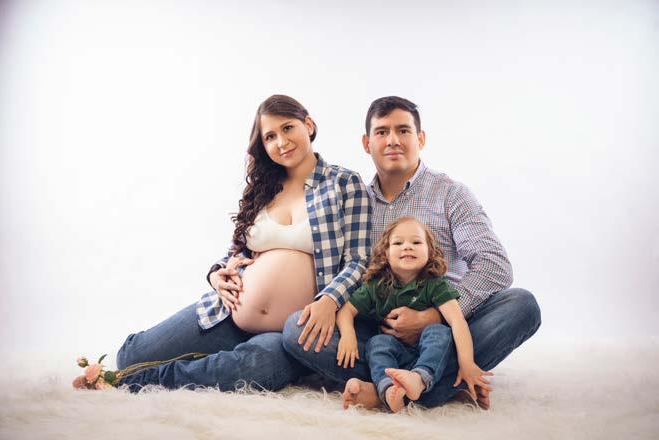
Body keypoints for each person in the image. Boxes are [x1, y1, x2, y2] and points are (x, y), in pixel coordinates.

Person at [282, 96, 541, 410]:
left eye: (403, 131)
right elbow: (335, 262)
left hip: (448, 327)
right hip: (379, 333)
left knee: (522, 305)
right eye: (382, 132)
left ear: (421, 139)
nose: (393, 140)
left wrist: (434, 315)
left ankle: (387, 389)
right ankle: (430, 386)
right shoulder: (356, 201)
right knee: (296, 327)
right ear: (366, 143)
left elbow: (494, 265)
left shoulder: (451, 194)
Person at [113, 95, 371, 391]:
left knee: (257, 370)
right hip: (228, 310)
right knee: (130, 357)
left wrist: (329, 300)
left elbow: (358, 260)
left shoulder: (344, 183)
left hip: (291, 333)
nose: (281, 142)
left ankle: (145, 382)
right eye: (270, 136)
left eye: (288, 128)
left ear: (308, 125)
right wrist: (216, 275)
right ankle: (137, 373)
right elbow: (236, 253)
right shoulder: (263, 188)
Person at [336, 216, 492, 412]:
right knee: (377, 343)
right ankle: (389, 389)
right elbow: (346, 310)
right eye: (398, 243)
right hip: (395, 356)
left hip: (433, 355)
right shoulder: (376, 285)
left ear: (430, 252)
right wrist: (348, 336)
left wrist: (467, 363)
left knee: (438, 331)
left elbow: (457, 321)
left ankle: (419, 379)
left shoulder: (435, 284)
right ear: (386, 253)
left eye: (416, 242)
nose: (407, 247)